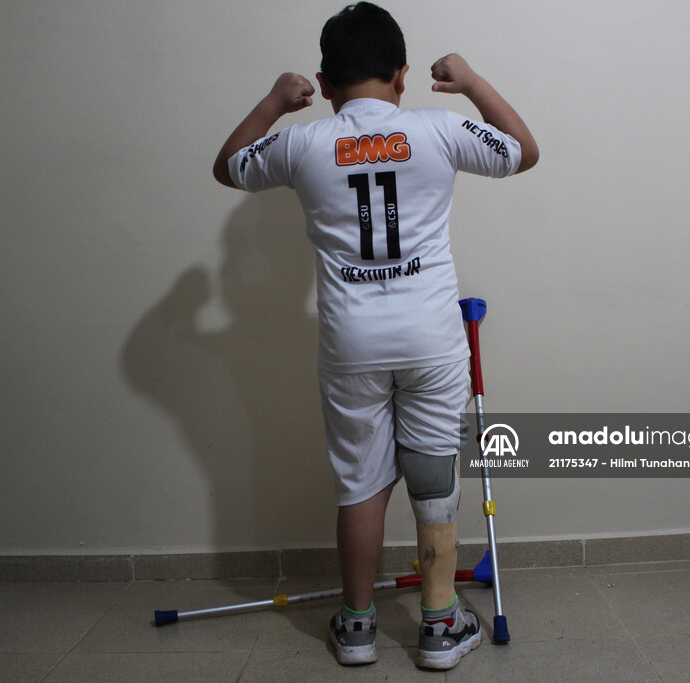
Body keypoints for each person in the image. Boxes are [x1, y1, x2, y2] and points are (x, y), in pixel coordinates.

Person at [213, 2, 538, 670]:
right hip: (430, 337)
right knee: (433, 477)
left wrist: (274, 101)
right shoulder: (438, 128)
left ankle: (358, 627)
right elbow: (522, 151)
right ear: (402, 75)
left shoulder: (303, 143)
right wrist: (471, 82)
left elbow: (229, 164)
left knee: (359, 481)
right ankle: (440, 627)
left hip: (350, 342)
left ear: (324, 84)